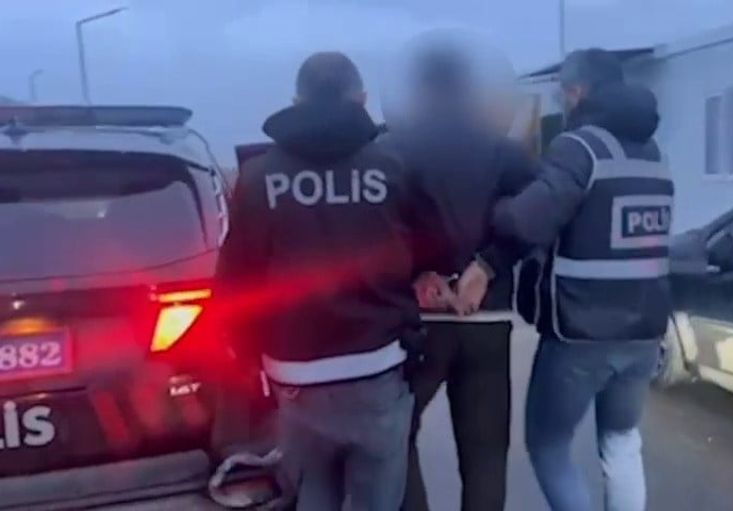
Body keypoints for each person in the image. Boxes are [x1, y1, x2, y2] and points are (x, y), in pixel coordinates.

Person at [214, 51, 448, 511]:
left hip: (293, 378)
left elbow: (235, 282)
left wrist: (248, 354)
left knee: (312, 494)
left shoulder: (258, 177)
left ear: (296, 102)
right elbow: (437, 245)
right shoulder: (393, 165)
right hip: (378, 368)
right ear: (361, 99)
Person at [458, 48, 674, 511]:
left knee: (548, 445)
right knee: (621, 441)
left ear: (577, 91)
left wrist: (499, 207)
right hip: (645, 332)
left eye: (563, 94)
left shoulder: (581, 148)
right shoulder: (655, 154)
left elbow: (526, 222)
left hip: (581, 332)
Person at [379, 35, 538, 511]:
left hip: (418, 324)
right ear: (469, 89)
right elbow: (534, 220)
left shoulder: (389, 151)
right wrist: (488, 266)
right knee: (485, 455)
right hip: (487, 321)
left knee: (394, 440)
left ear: (417, 90)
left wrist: (416, 273)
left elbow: (377, 229)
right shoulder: (507, 153)